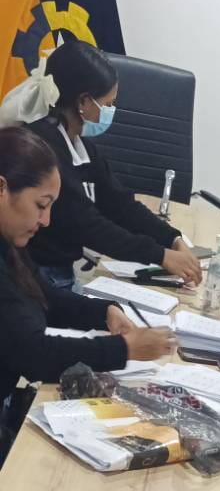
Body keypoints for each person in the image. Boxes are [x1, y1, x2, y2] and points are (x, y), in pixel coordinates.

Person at [0, 123, 172, 446]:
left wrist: (104, 312)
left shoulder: (9, 242)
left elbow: (43, 295)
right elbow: (33, 354)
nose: (46, 221)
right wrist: (124, 349)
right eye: (41, 205)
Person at [3, 39, 200, 291]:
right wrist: (161, 255)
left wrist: (172, 238)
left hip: (61, 272)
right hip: (42, 277)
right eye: (107, 104)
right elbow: (88, 225)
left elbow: (120, 204)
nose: (110, 111)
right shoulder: (46, 150)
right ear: (83, 102)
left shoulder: (79, 144)